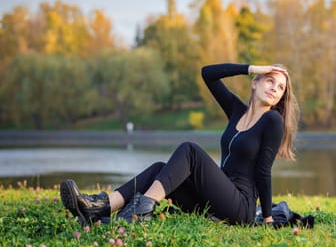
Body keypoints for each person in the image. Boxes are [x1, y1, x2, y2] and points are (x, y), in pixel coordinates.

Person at [60, 63, 299, 226]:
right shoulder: (238, 111)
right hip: (216, 198)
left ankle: (143, 209)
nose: (274, 90)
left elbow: (263, 172)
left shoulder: (272, 120)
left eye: (280, 88)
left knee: (190, 150)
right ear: (254, 83)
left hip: (240, 207)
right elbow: (208, 74)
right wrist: (250, 68)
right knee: (158, 169)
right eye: (269, 81)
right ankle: (99, 208)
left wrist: (267, 219)